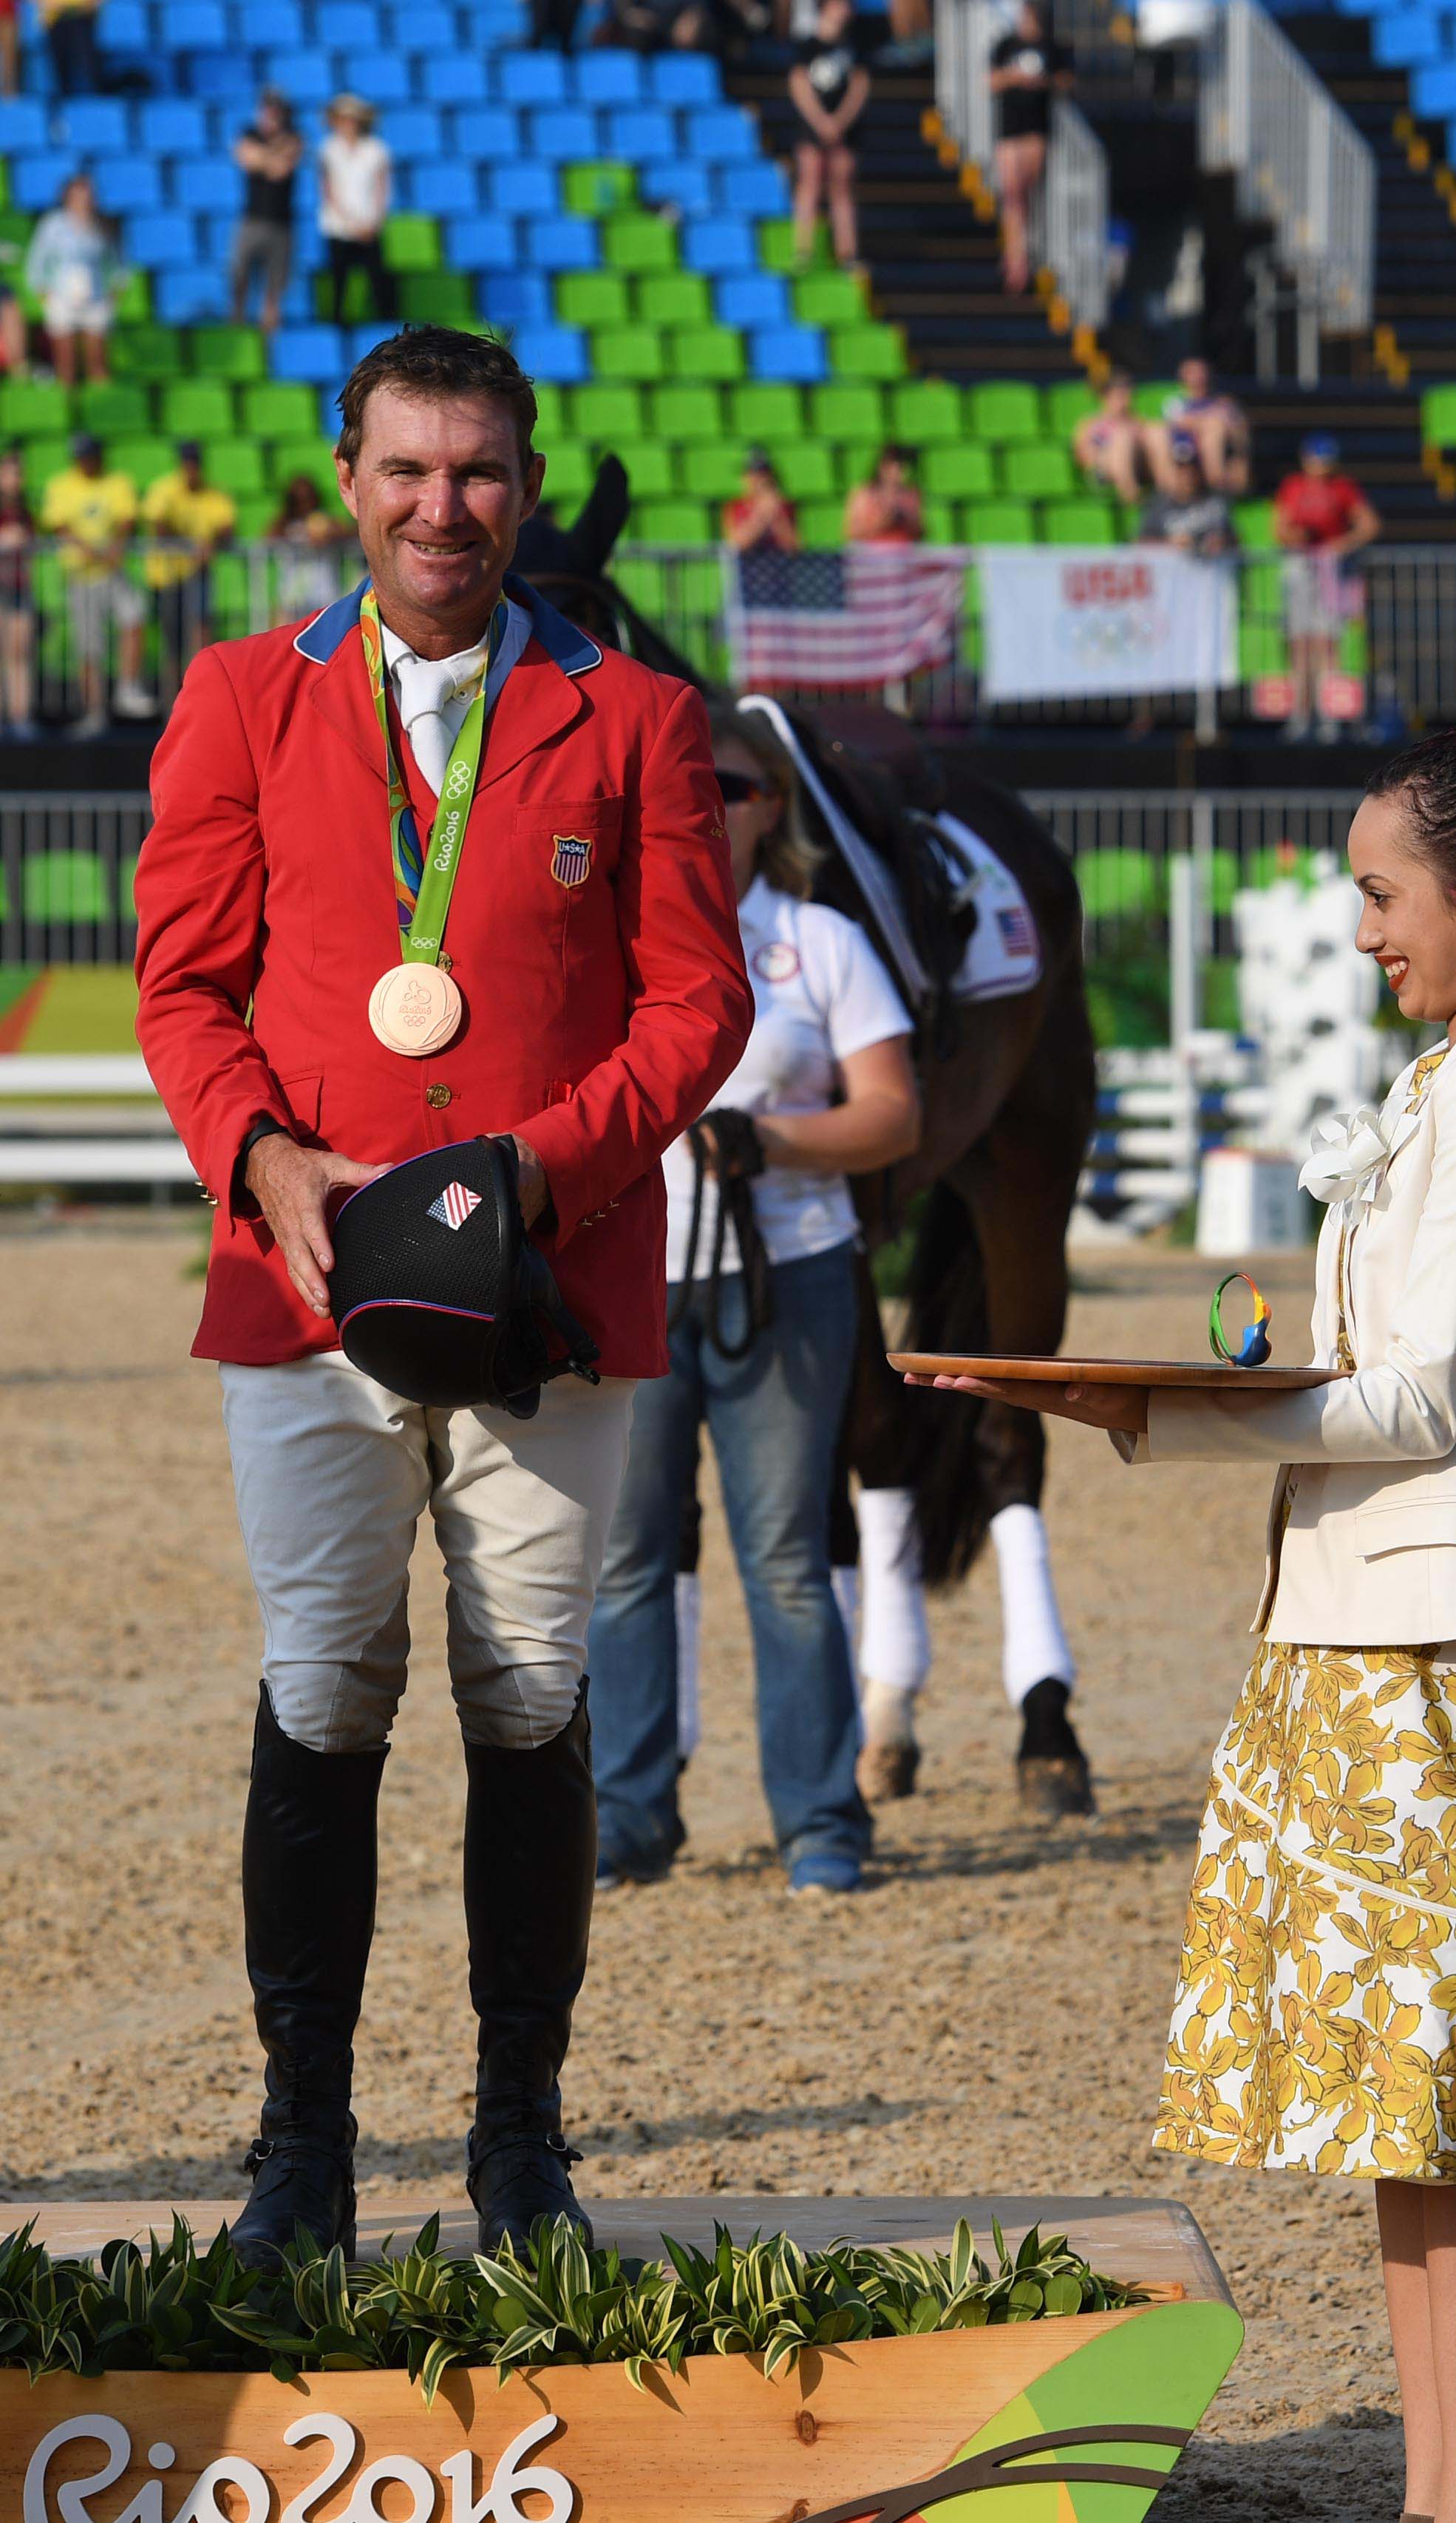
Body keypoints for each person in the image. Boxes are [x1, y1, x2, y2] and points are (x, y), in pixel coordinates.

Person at [908, 691, 1456, 2523]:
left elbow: (1420, 1401)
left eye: (1385, 892)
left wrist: (1148, 1403)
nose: (1365, 925)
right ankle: (1440, 2492)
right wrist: (1189, 1374)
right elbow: (1377, 1365)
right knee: (1417, 2104)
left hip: (1436, 1641)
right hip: (1373, 1626)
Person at [132, 325, 752, 2267]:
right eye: (408, 469)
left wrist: (542, 1175)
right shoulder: (239, 697)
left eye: (478, 470)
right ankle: (300, 2146)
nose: (441, 506)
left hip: (543, 1299)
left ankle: (519, 2145)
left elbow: (699, 1005)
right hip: (304, 1285)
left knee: (528, 1690)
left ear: (528, 479)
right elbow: (182, 988)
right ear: (346, 477)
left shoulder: (638, 719)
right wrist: (268, 1154)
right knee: (325, 1682)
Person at [587, 701, 919, 1895]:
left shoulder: (817, 941)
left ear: (769, 804)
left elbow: (893, 1111)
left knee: (783, 1556)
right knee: (625, 1555)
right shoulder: (605, 937)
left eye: (726, 785)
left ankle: (822, 1818)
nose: (705, 803)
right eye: (687, 784)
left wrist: (769, 1140)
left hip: (790, 1274)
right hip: (630, 1277)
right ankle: (625, 1816)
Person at [39, 433, 152, 733]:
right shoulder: (61, 484)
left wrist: (115, 546)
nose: (85, 462)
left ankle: (127, 686)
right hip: (82, 575)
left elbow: (127, 519)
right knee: (89, 646)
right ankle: (94, 711)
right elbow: (59, 526)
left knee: (134, 616)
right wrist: (86, 548)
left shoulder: (117, 481)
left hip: (111, 572)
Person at [1275, 431, 1381, 741]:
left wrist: (1340, 544)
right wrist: (1298, 537)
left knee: (1327, 643)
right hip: (1300, 568)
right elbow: (1280, 529)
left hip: (1331, 571)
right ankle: (1300, 712)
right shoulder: (1293, 486)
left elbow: (1369, 524)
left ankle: (1329, 713)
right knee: (1299, 643)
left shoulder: (1343, 488)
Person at [141, 440, 237, 699]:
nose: (191, 469)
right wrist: (192, 545)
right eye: (187, 463)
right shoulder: (165, 489)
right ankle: (173, 696)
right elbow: (159, 525)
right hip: (167, 577)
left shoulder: (214, 492)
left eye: (195, 463)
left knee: (201, 631)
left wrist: (211, 543)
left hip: (198, 573)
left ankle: (201, 692)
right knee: (173, 641)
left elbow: (227, 527)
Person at [990, 0, 1071, 294]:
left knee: (1027, 193)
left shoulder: (1053, 47)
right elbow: (992, 80)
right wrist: (1015, 77)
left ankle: (1022, 253)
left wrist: (1041, 81)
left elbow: (1065, 80)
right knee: (1012, 195)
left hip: (1036, 129)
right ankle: (1016, 261)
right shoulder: (1005, 45)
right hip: (1010, 128)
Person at [791, 0, 868, 272]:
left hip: (843, 126)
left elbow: (860, 86)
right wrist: (821, 121)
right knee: (809, 183)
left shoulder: (853, 46)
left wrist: (840, 121)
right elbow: (798, 84)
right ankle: (804, 250)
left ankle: (847, 253)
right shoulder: (807, 45)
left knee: (842, 187)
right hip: (814, 123)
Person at [25, 172, 122, 388]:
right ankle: (67, 412)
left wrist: (114, 294)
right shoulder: (52, 225)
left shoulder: (103, 225)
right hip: (61, 298)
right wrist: (45, 295)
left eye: (87, 194)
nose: (83, 199)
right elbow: (37, 262)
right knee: (65, 362)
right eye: (78, 194)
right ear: (67, 195)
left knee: (97, 361)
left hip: (95, 298)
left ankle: (101, 412)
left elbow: (117, 263)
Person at [318, 93, 395, 327]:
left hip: (370, 225)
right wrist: (351, 223)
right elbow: (329, 191)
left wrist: (373, 222)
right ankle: (338, 321)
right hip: (339, 226)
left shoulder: (376, 149)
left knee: (377, 276)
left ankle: (384, 319)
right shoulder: (329, 149)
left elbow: (383, 189)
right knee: (339, 277)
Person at [231, 89, 304, 335]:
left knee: (274, 287)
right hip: (252, 219)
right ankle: (237, 324)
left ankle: (269, 337)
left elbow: (279, 169)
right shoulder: (249, 133)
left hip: (281, 223)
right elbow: (247, 158)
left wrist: (263, 156)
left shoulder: (294, 136)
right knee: (238, 275)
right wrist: (272, 155)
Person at [266, 470, 355, 618]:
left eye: (307, 498)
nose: (304, 504)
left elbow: (351, 532)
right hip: (293, 597)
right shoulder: (284, 524)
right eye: (298, 500)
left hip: (325, 595)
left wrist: (331, 533)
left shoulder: (326, 521)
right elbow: (268, 538)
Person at [1138, 430, 1233, 557]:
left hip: (1213, 573)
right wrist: (1170, 543)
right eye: (1182, 471)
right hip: (1173, 574)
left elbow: (1235, 540)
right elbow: (1141, 543)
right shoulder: (1160, 504)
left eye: (1191, 470)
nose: (1187, 476)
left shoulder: (1214, 501)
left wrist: (1222, 542)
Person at [1163, 356, 1249, 495]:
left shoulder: (1223, 402)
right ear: (1183, 377)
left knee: (1225, 428)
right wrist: (1215, 417)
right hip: (1183, 452)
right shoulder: (1175, 401)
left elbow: (1239, 427)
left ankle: (1222, 483)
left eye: (1202, 372)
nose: (1199, 377)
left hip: (1224, 451)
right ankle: (1217, 483)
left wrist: (1240, 458)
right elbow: (1184, 422)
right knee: (1215, 427)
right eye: (1193, 373)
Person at [1072, 372, 1161, 505]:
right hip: (1103, 469)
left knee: (1157, 432)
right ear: (1106, 397)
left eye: (1128, 395)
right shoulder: (1091, 425)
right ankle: (1132, 497)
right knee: (1122, 438)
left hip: (1140, 467)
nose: (1125, 401)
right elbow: (1082, 455)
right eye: (1119, 395)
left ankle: (1170, 495)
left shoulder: (1140, 423)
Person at [0, 443, 38, 738]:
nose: (17, 479)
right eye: (11, 473)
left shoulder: (25, 511)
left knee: (20, 653)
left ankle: (20, 715)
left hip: (19, 586)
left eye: (19, 473)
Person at [723, 448, 799, 554]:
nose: (756, 480)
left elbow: (793, 547)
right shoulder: (735, 506)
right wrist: (761, 515)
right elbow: (737, 546)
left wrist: (776, 514)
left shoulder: (785, 506)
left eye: (761, 475)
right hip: (749, 566)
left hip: (780, 564)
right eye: (752, 475)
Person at [844, 443, 923, 544]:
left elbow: (920, 531)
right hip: (871, 554)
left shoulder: (911, 494)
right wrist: (883, 522)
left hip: (903, 553)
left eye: (904, 468)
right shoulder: (864, 495)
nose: (900, 473)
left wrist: (906, 521)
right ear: (883, 467)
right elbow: (852, 533)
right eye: (897, 468)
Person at [38, 0, 101, 96]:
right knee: (59, 71)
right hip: (54, 19)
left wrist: (92, 5)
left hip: (83, 17)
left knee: (86, 68)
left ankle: (92, 99)